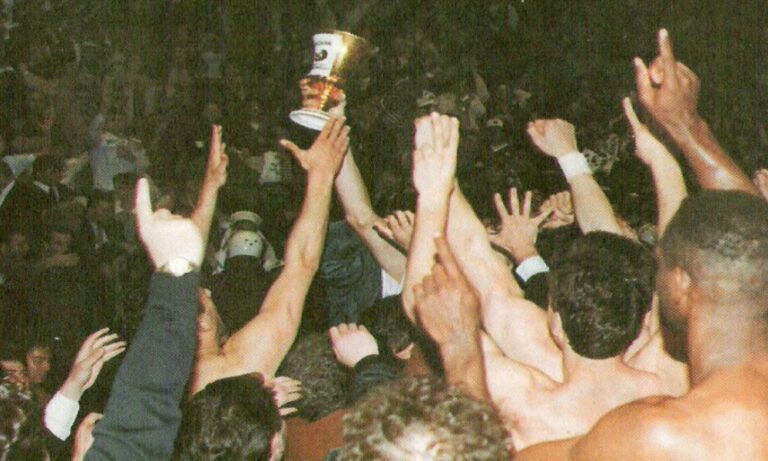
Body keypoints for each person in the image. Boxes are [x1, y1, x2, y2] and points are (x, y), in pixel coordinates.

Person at [516, 29, 768, 461]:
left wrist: (458, 347)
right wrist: (686, 127)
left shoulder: (655, 435)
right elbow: (750, 231)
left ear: (681, 285)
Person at [177, 116, 350, 460]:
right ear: (202, 323)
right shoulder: (234, 370)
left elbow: (177, 267)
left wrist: (210, 189)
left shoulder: (157, 367)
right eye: (205, 297)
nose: (210, 293)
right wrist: (320, 176)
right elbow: (301, 265)